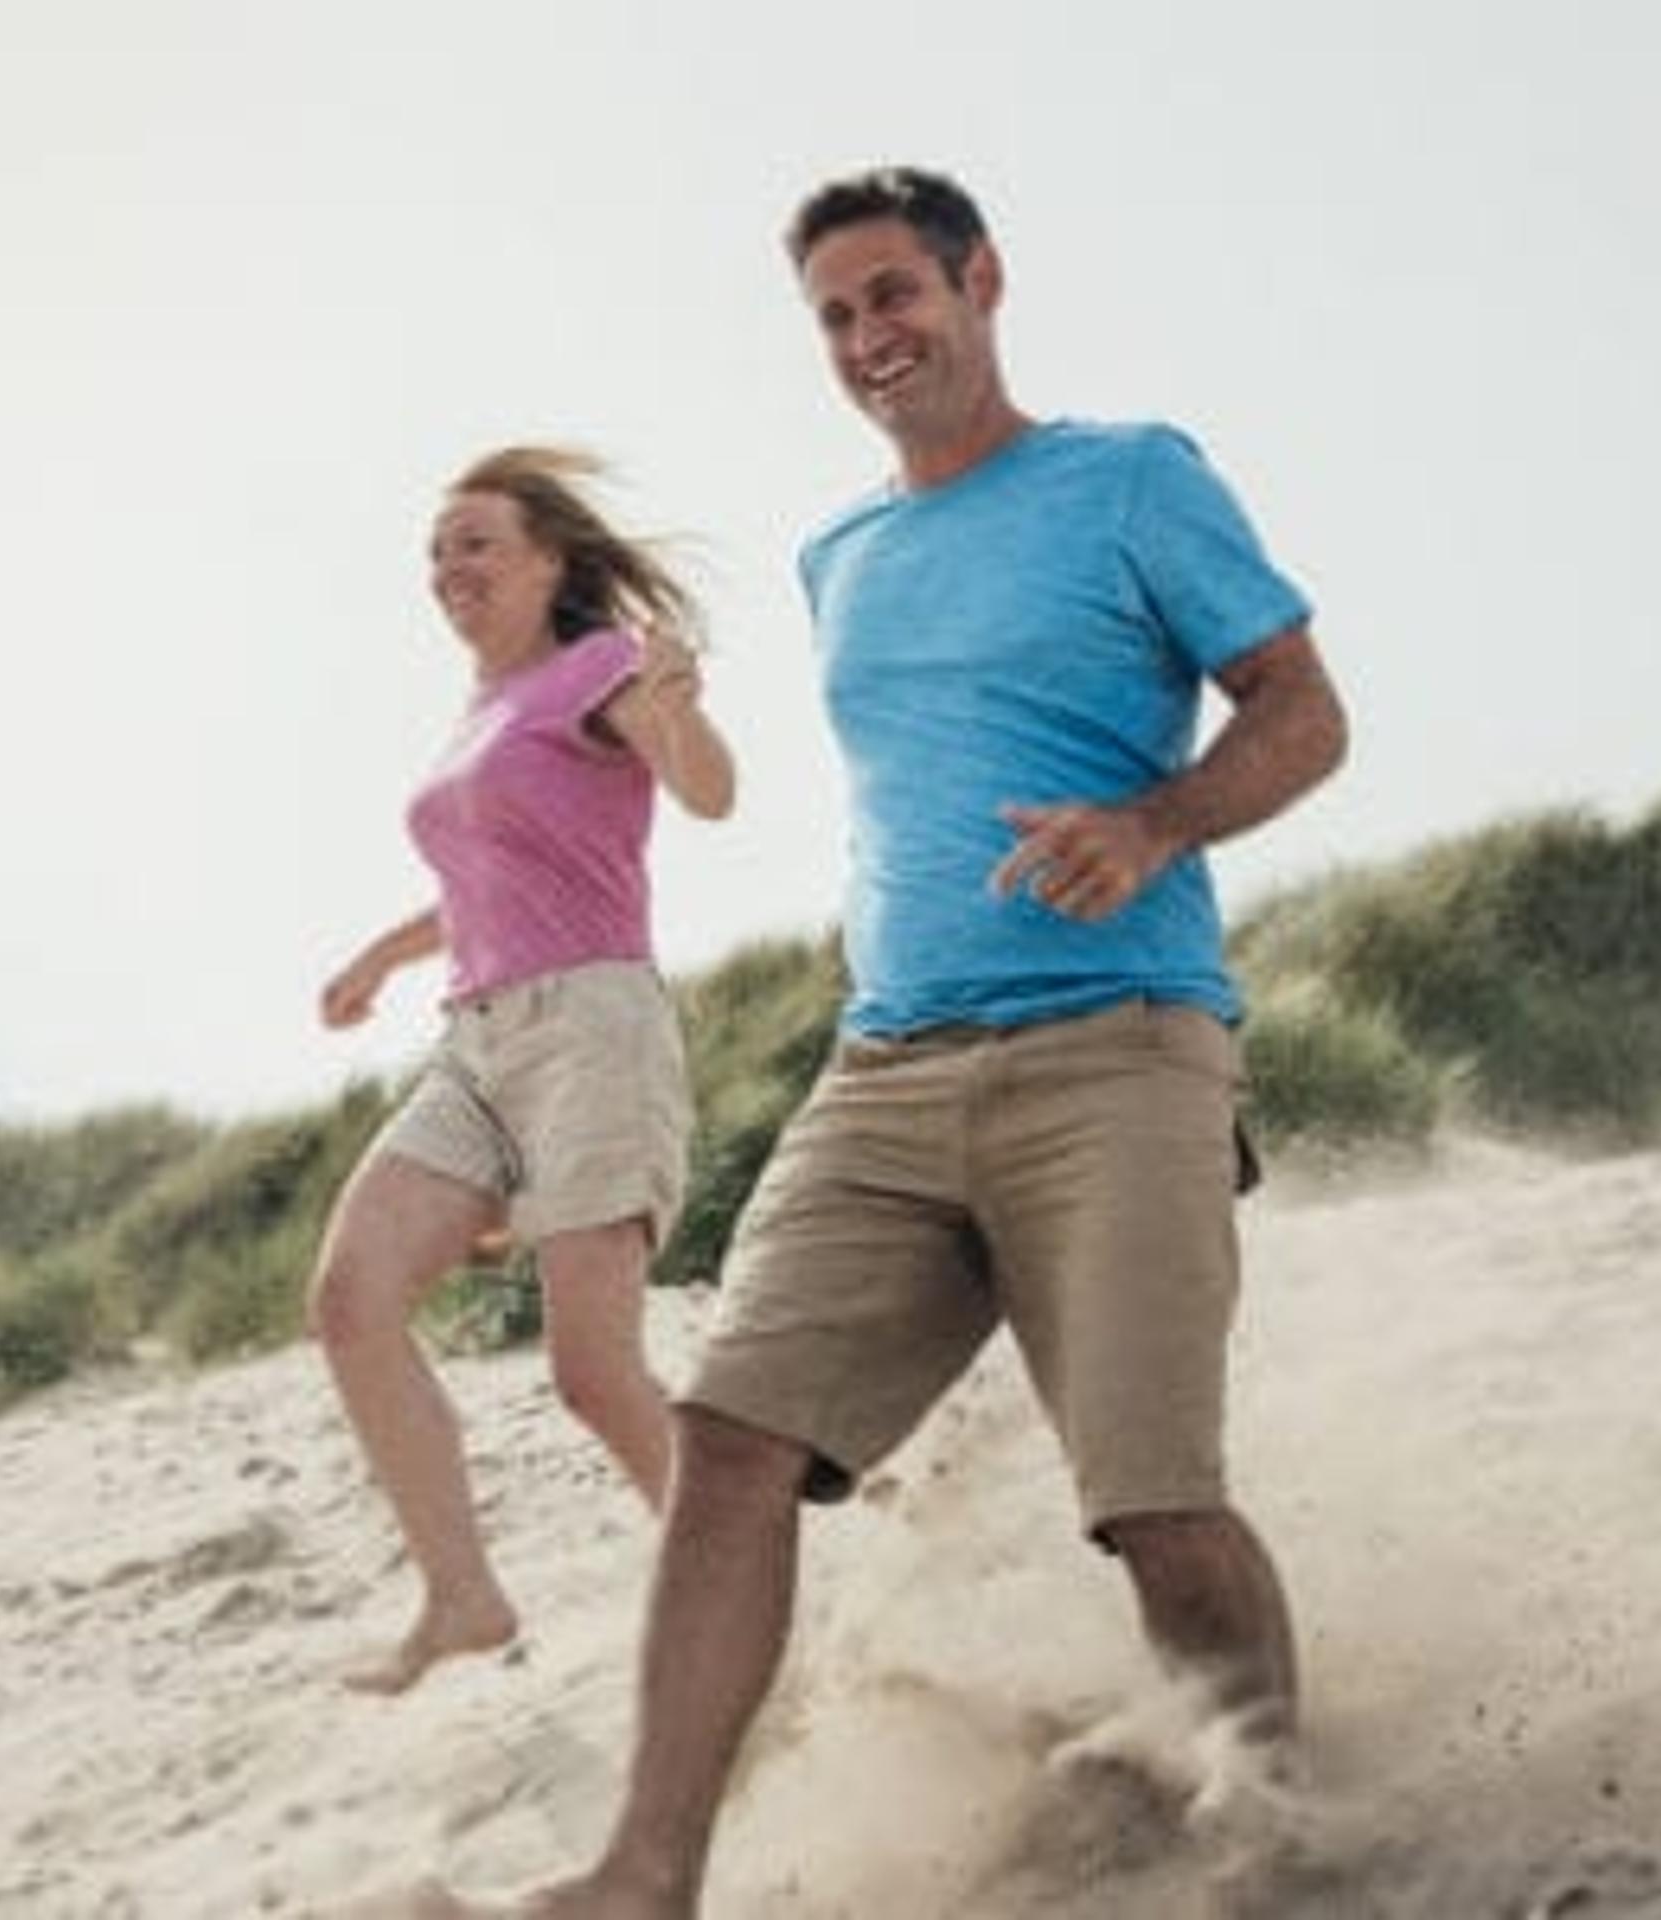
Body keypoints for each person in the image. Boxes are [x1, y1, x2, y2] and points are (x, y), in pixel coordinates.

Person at [499, 167, 1351, 1914]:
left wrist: (1160, 821)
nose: (871, 338)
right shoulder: (842, 555)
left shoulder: (1130, 478)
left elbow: (1306, 712)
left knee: (1153, 1499)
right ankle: (643, 1877)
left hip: (1118, 1045)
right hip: (884, 1068)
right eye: (834, 316)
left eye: (895, 295)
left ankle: (1284, 1829)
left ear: (980, 283)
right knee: (731, 1442)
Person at [311, 445, 736, 1696]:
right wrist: (379, 958)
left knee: (594, 1373)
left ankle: (742, 1591)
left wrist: (673, 705)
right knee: (351, 1300)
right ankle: (462, 1595)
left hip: (592, 1031)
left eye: (477, 543)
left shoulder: (595, 668)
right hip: (476, 1042)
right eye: (438, 553)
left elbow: (707, 794)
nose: (451, 570)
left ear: (551, 559)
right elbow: (484, 883)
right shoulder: (478, 716)